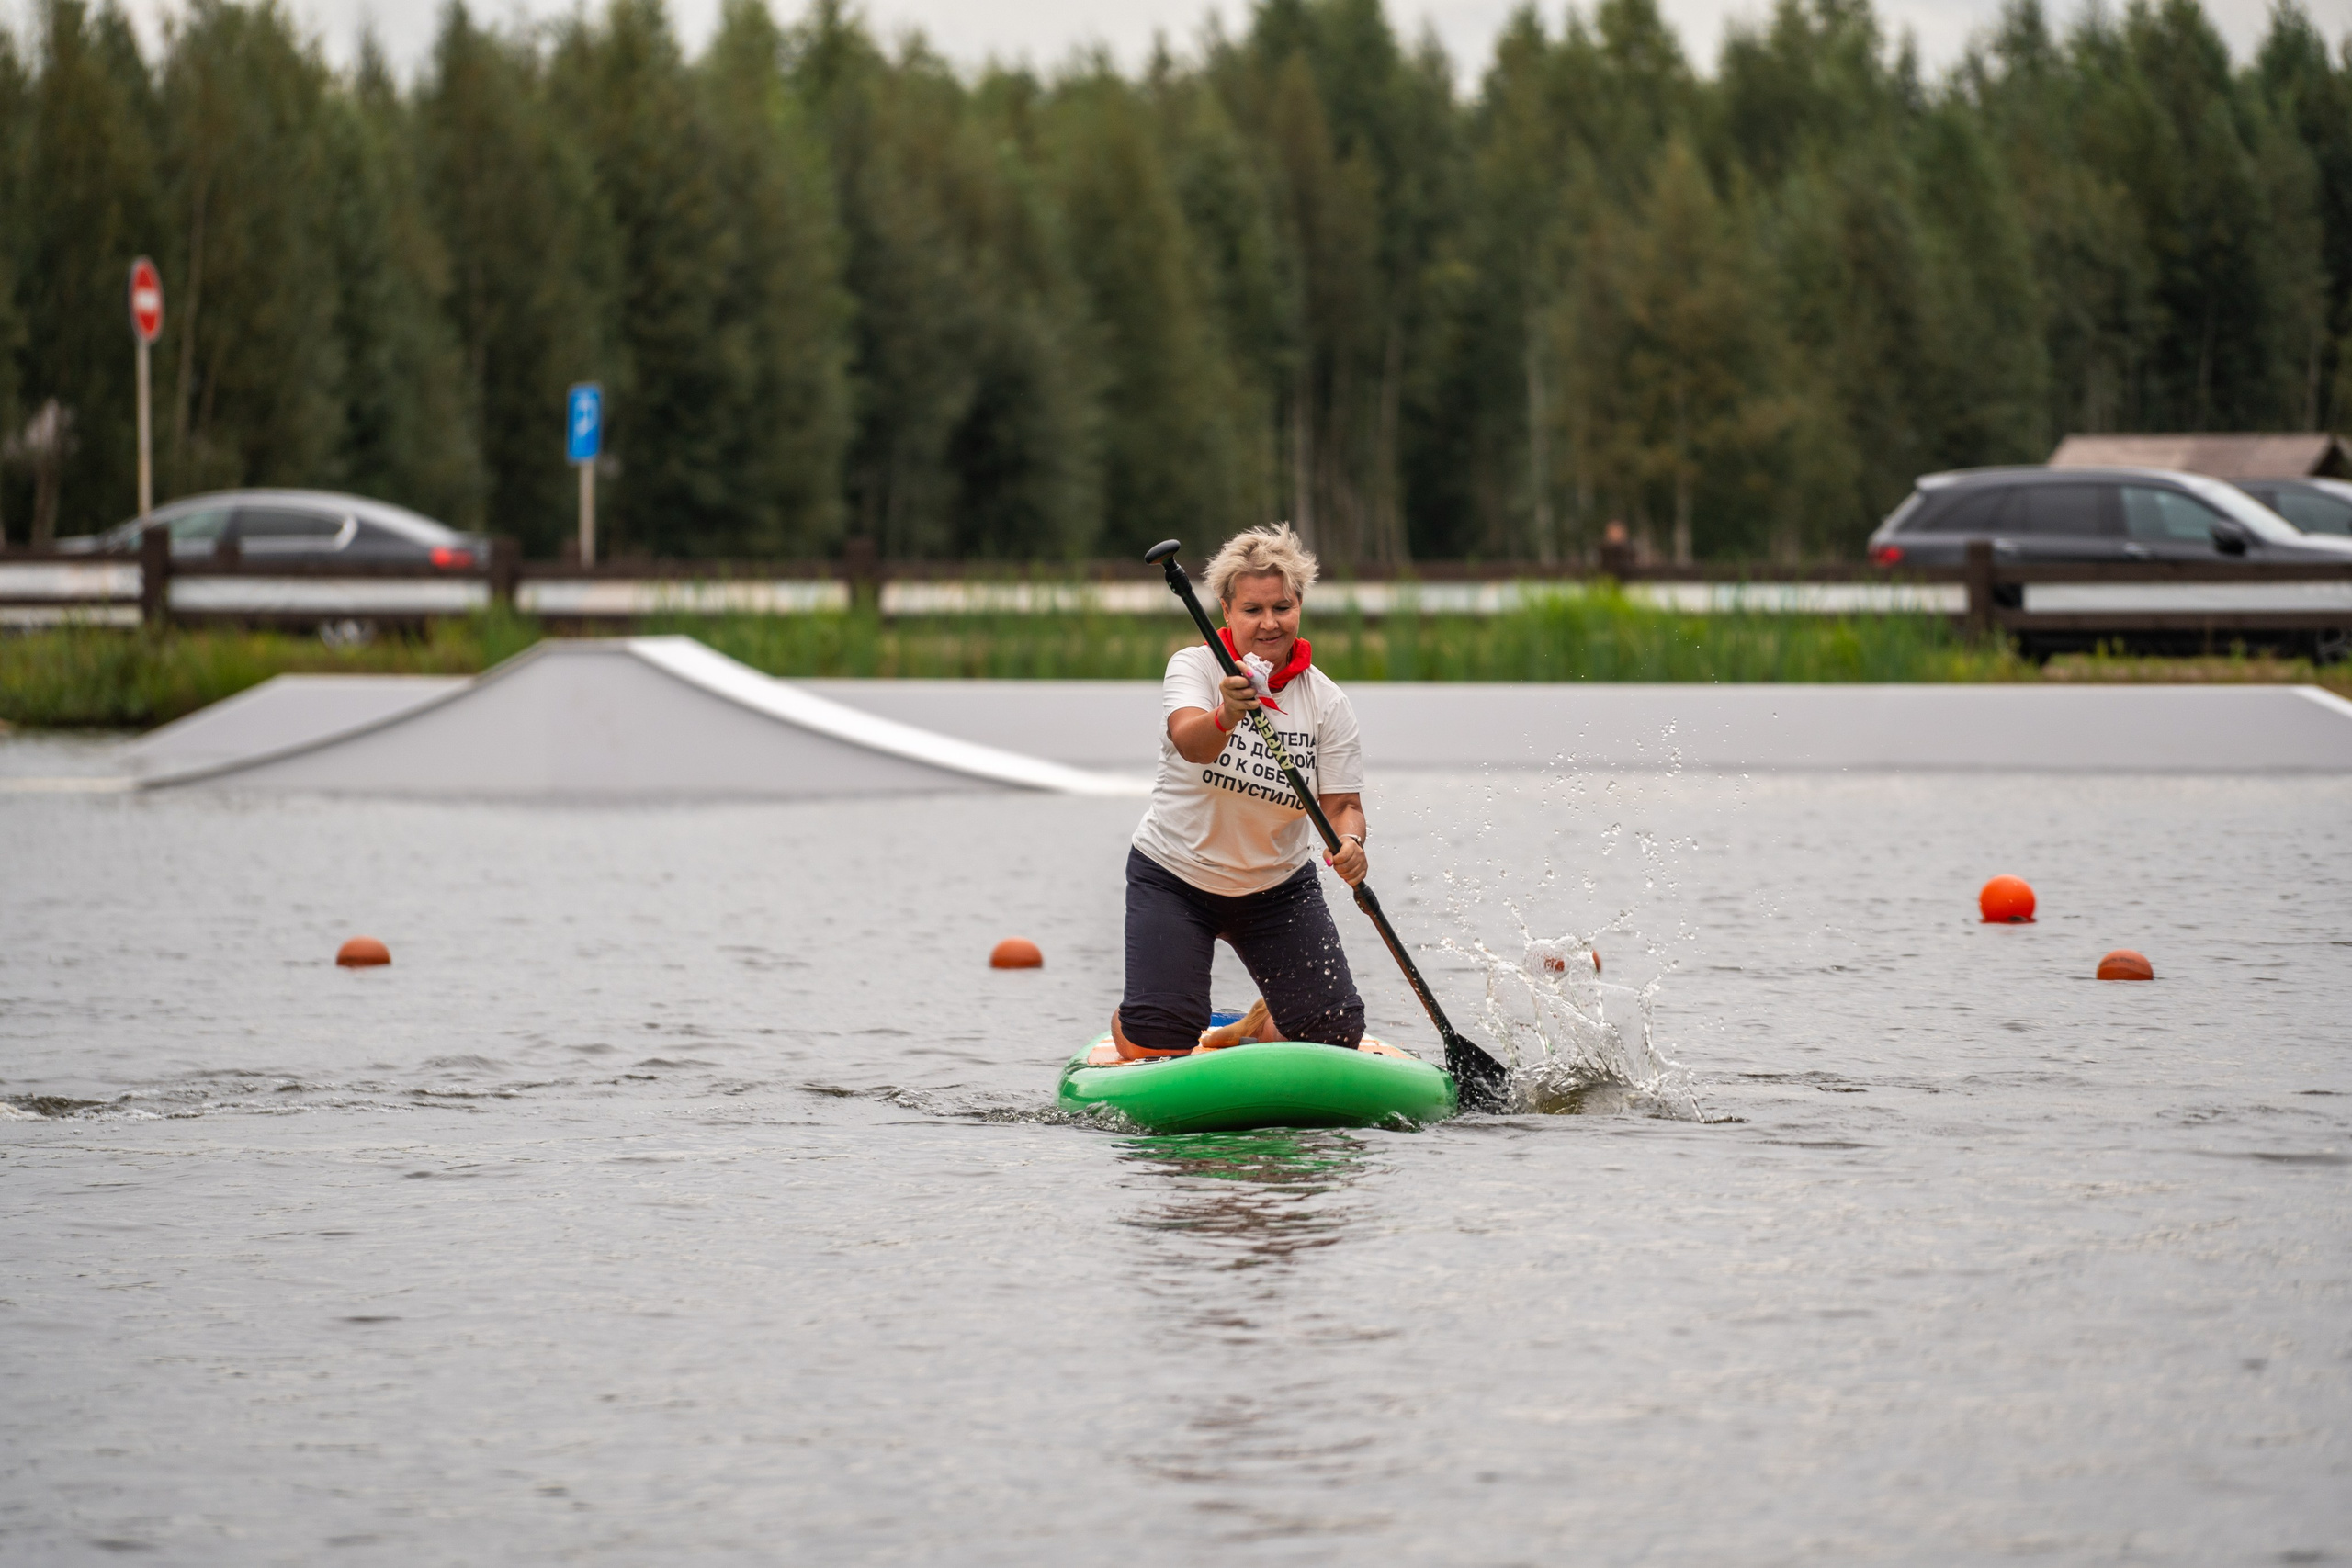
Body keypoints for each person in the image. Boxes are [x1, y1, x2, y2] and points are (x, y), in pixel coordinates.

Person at [1114, 524, 1369, 1058]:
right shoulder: (1194, 667)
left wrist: (1351, 845)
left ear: (1299, 605)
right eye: (1253, 610)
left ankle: (1258, 1022)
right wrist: (1227, 712)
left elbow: (1343, 805)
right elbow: (1191, 743)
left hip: (1277, 889)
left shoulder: (1328, 702)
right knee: (1158, 1042)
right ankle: (1146, 1007)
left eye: (1282, 607)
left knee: (1333, 1032)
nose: (1269, 623)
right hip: (1175, 877)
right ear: (1226, 611)